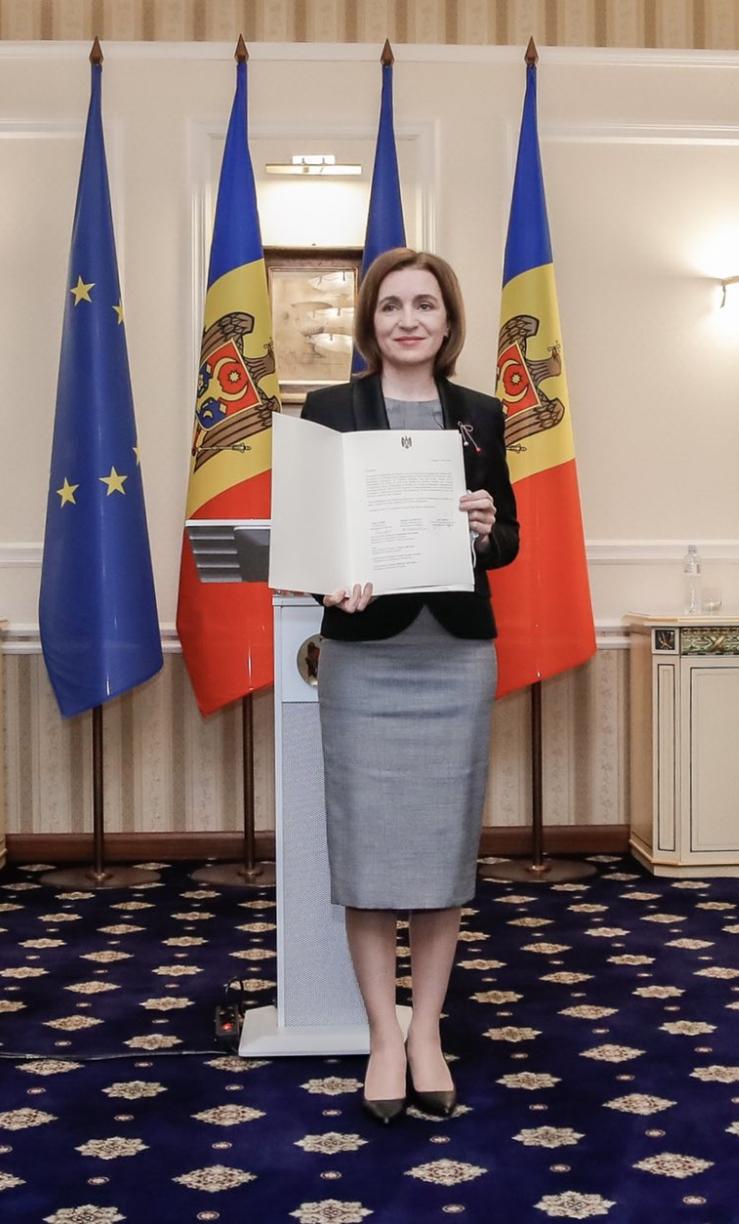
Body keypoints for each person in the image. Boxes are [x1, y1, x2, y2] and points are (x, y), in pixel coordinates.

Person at [299, 248, 519, 1124]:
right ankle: (381, 1039)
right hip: (365, 653)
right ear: (370, 322)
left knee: (438, 853)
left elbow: (504, 545)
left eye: (424, 304)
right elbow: (308, 535)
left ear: (447, 321)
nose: (407, 320)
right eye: (390, 306)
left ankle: (425, 1031)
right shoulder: (327, 410)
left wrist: (484, 522)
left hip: (454, 652)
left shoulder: (480, 415)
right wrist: (327, 580)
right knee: (367, 854)